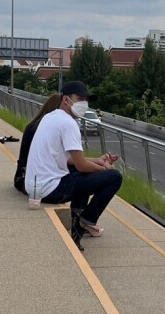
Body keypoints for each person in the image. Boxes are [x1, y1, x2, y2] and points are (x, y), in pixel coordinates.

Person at [25, 81, 122, 250]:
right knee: (114, 178)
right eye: (80, 99)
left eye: (86, 100)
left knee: (84, 176)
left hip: (34, 186)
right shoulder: (69, 124)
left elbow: (68, 159)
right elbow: (82, 166)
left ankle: (78, 224)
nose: (84, 104)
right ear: (65, 100)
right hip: (50, 189)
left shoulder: (50, 117)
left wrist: (97, 161)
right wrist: (105, 169)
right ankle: (85, 222)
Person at [14, 93, 63, 193]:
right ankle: (79, 208)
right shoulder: (44, 130)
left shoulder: (33, 125)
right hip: (31, 183)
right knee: (82, 174)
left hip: (21, 177)